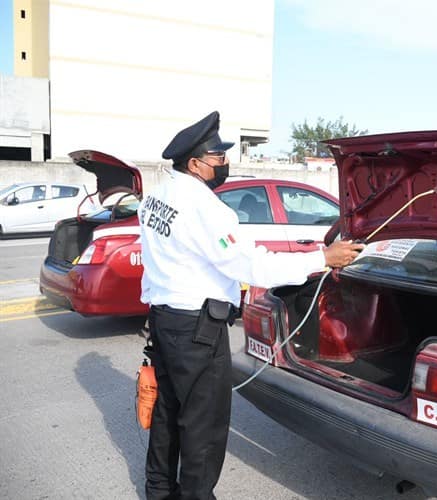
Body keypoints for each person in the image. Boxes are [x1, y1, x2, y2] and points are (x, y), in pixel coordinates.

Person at [138, 111, 363, 500]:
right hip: (195, 329)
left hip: (164, 318)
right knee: (203, 424)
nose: (225, 164)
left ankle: (158, 490)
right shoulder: (205, 208)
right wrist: (321, 259)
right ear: (195, 164)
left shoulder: (158, 195)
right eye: (218, 158)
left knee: (168, 411)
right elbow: (249, 265)